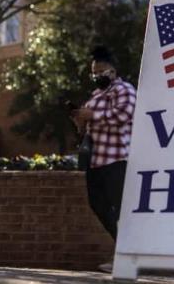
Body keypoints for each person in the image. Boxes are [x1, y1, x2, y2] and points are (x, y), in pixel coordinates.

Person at [71, 46, 136, 273]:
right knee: (97, 205)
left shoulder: (124, 89)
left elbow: (124, 115)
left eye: (101, 71)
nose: (97, 76)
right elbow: (87, 128)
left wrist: (93, 116)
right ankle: (125, 250)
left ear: (113, 70)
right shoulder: (95, 96)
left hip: (118, 158)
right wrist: (80, 122)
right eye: (94, 73)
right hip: (96, 160)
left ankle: (125, 256)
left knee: (119, 209)